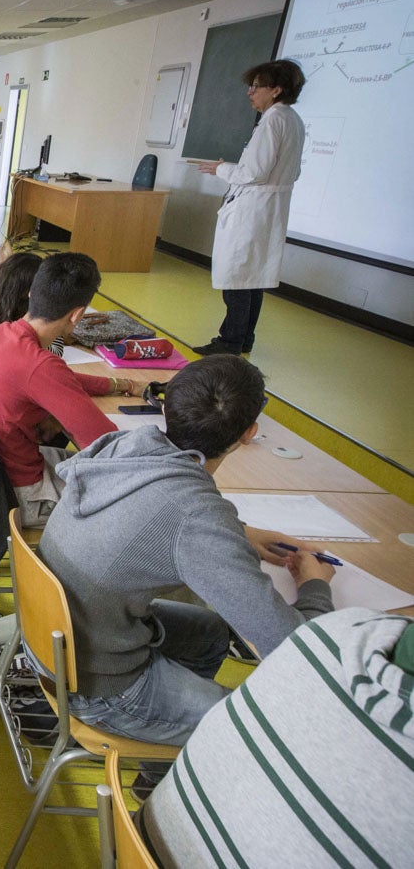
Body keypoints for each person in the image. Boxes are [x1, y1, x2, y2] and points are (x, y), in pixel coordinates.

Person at [38, 354, 334, 756]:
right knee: (258, 732)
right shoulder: (196, 515)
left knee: (210, 633)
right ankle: (165, 754)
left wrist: (239, 534)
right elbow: (290, 646)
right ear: (249, 433)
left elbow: (154, 519)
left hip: (50, 641)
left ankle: (158, 765)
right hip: (98, 685)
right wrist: (315, 587)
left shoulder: (128, 445)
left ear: (167, 407)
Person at [141, 607, 414, 868]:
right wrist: (315, 584)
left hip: (138, 842)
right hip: (114, 680)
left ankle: (149, 776)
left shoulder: (339, 624)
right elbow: (274, 630)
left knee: (234, 674)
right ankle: (149, 772)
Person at [0, 252, 138, 526]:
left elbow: (57, 379)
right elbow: (106, 444)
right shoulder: (39, 365)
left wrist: (117, 385)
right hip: (19, 494)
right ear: (77, 315)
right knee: (131, 502)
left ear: (31, 293)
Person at [194, 59, 306, 356]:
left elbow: (253, 172)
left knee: (238, 278)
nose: (249, 93)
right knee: (252, 278)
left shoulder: (273, 120)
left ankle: (229, 340)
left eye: (256, 87)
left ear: (276, 90)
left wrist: (221, 169)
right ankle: (244, 339)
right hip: (268, 208)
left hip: (254, 208)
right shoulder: (292, 119)